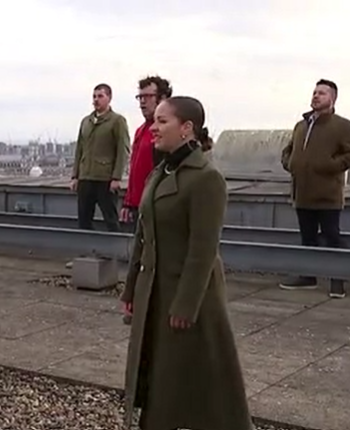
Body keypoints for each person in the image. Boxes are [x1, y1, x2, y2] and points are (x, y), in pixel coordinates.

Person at [121, 96, 253, 430]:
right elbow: (142, 236)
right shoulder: (161, 171)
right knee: (162, 372)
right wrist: (131, 291)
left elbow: (203, 249)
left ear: (187, 128)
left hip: (187, 297)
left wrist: (185, 305)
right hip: (156, 290)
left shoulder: (206, 178)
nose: (154, 127)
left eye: (163, 121)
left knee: (201, 379)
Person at [279, 79, 350, 297]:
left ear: (332, 99)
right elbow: (288, 150)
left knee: (332, 237)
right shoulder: (302, 125)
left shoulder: (343, 126)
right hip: (302, 193)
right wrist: (290, 163)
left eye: (322, 93)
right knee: (308, 238)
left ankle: (338, 281)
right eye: (315, 92)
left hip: (327, 194)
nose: (316, 96)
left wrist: (330, 165)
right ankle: (309, 276)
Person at [69, 83, 130, 232]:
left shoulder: (117, 121)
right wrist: (75, 176)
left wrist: (116, 177)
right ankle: (86, 251)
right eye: (94, 96)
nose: (96, 100)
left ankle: (114, 251)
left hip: (105, 178)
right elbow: (80, 150)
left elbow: (123, 150)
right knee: (84, 219)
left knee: (110, 219)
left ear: (109, 98)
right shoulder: (86, 121)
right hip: (86, 177)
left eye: (100, 96)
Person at [121, 76, 172, 226]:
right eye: (140, 97)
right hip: (139, 206)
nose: (142, 102)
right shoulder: (140, 131)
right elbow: (136, 171)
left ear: (162, 98)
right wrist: (128, 202)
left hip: (156, 206)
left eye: (148, 96)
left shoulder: (168, 132)